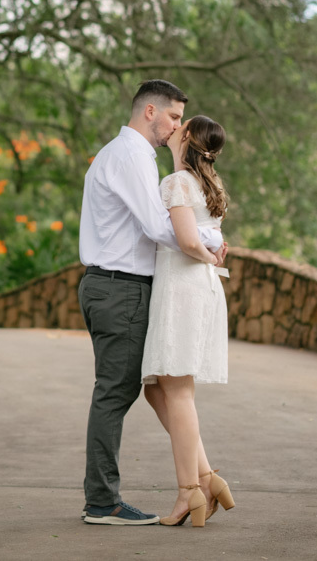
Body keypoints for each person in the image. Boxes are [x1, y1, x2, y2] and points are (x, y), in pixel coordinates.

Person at [78, 80, 225, 526]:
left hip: (123, 286)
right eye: (174, 117)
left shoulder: (130, 155)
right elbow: (158, 226)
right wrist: (209, 240)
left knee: (158, 386)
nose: (177, 126)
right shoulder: (131, 156)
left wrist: (203, 236)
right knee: (116, 391)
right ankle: (102, 502)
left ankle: (203, 480)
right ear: (149, 111)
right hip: (119, 287)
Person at [141, 115, 235, 527]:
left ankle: (188, 491)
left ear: (189, 138)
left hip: (183, 287)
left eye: (182, 125)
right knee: (158, 390)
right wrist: (210, 255)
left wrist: (208, 256)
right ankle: (208, 479)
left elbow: (187, 240)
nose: (174, 128)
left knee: (177, 390)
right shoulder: (210, 184)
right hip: (197, 286)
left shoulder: (178, 182)